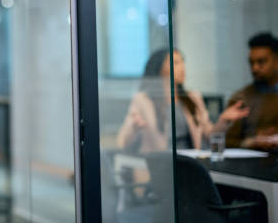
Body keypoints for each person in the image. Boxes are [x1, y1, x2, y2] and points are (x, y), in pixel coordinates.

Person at [117, 48, 248, 153]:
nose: (182, 67)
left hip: (191, 164)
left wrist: (223, 120)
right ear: (159, 68)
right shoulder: (143, 100)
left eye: (183, 62)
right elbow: (122, 141)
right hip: (161, 167)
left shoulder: (192, 98)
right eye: (175, 63)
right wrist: (134, 128)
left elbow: (209, 136)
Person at [225, 32, 278, 150]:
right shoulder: (241, 98)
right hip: (251, 164)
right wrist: (251, 142)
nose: (255, 68)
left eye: (261, 62)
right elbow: (227, 141)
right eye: (251, 63)